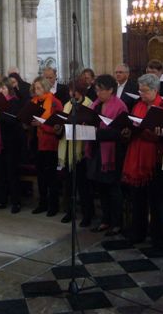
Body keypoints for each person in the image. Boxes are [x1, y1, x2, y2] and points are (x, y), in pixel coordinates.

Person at [121, 74, 163, 246]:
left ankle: (159, 237)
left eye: (144, 91)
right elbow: (133, 123)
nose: (141, 94)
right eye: (140, 90)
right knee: (138, 198)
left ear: (155, 90)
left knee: (157, 200)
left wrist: (160, 133)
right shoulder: (138, 105)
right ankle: (138, 232)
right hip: (137, 156)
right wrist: (128, 131)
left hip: (156, 158)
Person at [86, 74, 129, 236]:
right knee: (101, 188)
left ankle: (117, 223)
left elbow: (121, 133)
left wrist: (99, 133)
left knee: (113, 189)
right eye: (96, 90)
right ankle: (105, 220)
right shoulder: (95, 105)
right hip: (97, 151)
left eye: (101, 90)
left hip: (113, 154)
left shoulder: (120, 107)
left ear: (111, 90)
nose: (98, 93)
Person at [56, 79, 95, 226]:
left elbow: (92, 126)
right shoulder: (67, 104)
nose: (72, 93)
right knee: (69, 184)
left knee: (83, 185)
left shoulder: (89, 104)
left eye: (75, 91)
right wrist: (58, 129)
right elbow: (62, 123)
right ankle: (69, 212)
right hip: (67, 146)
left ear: (81, 91)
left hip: (82, 150)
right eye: (70, 91)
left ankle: (87, 214)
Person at [0, 77, 24, 213]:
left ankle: (16, 202)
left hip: (11, 142)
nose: (0, 90)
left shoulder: (14, 102)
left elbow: (15, 119)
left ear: (9, 89)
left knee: (12, 173)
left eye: (3, 88)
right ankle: (0, 200)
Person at [29, 76, 64, 216]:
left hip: (50, 143)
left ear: (45, 87)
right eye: (35, 88)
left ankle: (53, 205)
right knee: (41, 176)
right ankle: (42, 203)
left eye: (39, 88)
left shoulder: (55, 103)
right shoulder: (33, 102)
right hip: (36, 142)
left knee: (51, 177)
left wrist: (41, 125)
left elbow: (58, 125)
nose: (36, 91)